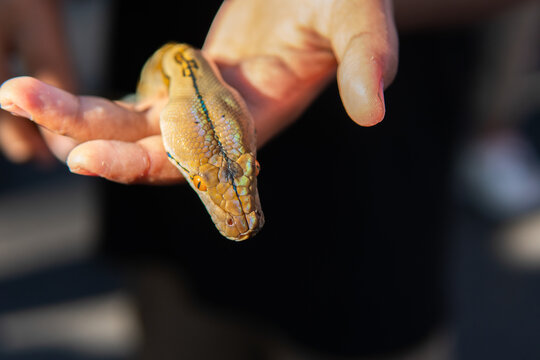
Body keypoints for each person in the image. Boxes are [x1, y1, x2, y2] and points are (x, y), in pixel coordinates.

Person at [0, 0, 532, 359]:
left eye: (242, 169)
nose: (243, 214)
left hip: (378, 200)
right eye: (205, 181)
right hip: (178, 257)